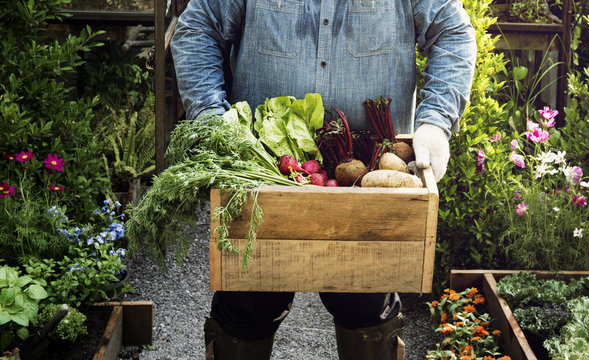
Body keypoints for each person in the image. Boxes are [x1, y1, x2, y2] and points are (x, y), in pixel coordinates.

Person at [170, 0, 476, 359]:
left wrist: (437, 120)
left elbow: (453, 32)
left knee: (366, 310)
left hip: (369, 175)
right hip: (263, 171)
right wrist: (210, 115)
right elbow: (196, 28)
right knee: (245, 307)